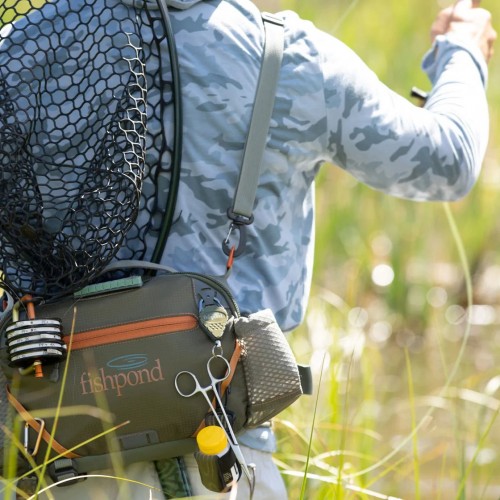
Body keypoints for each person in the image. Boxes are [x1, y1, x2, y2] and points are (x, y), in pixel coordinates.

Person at [0, 0, 496, 498]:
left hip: (56, 453)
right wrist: (462, 52)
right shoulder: (295, 57)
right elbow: (448, 159)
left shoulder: (23, 47)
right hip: (226, 456)